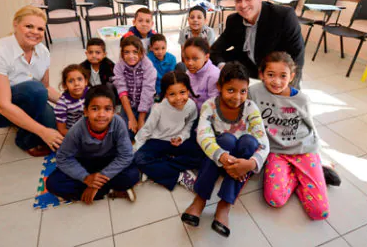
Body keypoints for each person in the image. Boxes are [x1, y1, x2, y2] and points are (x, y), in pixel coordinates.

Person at [181, 62, 269, 237]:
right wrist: (222, 157)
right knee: (227, 140)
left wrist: (250, 164)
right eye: (231, 90)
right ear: (219, 87)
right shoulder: (210, 106)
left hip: (242, 161)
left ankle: (224, 206)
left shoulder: (251, 108)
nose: (237, 96)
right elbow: (203, 136)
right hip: (218, 158)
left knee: (250, 142)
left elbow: (263, 141)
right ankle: (200, 199)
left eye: (243, 91)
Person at [249, 52, 332, 220]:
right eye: (270, 75)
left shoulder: (302, 99)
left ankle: (314, 170)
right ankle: (298, 177)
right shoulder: (254, 92)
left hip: (304, 149)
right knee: (274, 199)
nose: (276, 81)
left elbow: (311, 127)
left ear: (292, 76)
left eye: (283, 76)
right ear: (261, 74)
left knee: (319, 212)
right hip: (276, 152)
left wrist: (319, 154)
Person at [0, 6, 62, 157]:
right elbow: (2, 106)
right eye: (29, 26)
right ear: (15, 24)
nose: (35, 32)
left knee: (57, 130)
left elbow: (46, 87)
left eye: (40, 29)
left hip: (31, 98)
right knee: (35, 90)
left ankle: (22, 121)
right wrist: (43, 132)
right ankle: (24, 140)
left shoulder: (43, 51)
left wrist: (74, 104)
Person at [46, 85, 140, 203]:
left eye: (107, 109)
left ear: (114, 112)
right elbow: (63, 158)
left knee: (133, 174)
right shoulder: (77, 130)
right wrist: (85, 177)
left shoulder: (118, 123)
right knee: (53, 183)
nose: (101, 114)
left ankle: (95, 191)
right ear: (86, 111)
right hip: (85, 162)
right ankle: (110, 190)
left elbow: (126, 155)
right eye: (95, 109)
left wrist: (96, 183)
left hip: (109, 160)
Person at [210, 0, 305, 87]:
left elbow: (297, 59)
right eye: (238, 0)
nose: (243, 5)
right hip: (250, 72)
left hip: (274, 74)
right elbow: (215, 50)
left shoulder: (283, 16)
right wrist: (223, 66)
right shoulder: (234, 20)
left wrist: (290, 90)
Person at [134, 71, 203, 191]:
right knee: (139, 159)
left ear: (188, 90)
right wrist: (137, 150)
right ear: (165, 94)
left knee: (201, 155)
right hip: (158, 140)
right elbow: (146, 131)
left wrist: (181, 137)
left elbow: (189, 125)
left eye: (182, 92)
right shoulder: (158, 108)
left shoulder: (191, 105)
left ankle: (161, 165)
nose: (178, 98)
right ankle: (180, 175)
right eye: (172, 94)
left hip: (178, 141)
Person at [113, 36, 157, 140]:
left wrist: (141, 119)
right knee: (125, 135)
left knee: (146, 135)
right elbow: (122, 91)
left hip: (145, 106)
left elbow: (147, 92)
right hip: (129, 106)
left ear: (141, 53)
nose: (131, 56)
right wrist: (131, 117)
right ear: (122, 53)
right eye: (126, 52)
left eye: (135, 52)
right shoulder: (119, 66)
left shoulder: (148, 66)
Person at [183, 37, 220, 110]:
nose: (190, 63)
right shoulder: (188, 73)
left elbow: (214, 103)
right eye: (187, 58)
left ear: (206, 57)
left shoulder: (214, 75)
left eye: (195, 59)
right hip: (191, 112)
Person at [55, 64, 89, 136]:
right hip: (73, 132)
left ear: (86, 81)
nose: (76, 84)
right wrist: (78, 137)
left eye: (80, 79)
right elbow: (62, 129)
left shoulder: (91, 93)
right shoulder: (62, 104)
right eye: (71, 81)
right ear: (65, 86)